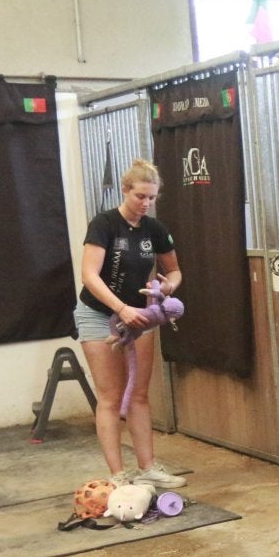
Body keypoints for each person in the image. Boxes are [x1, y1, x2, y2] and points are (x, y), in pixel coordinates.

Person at [76, 158, 187, 489]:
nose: (146, 203)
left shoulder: (155, 229)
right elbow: (89, 275)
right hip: (100, 314)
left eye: (152, 198)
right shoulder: (104, 224)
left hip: (140, 317)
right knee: (110, 396)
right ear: (126, 190)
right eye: (140, 196)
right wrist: (120, 308)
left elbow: (175, 272)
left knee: (138, 394)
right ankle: (118, 476)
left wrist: (167, 287)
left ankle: (148, 466)